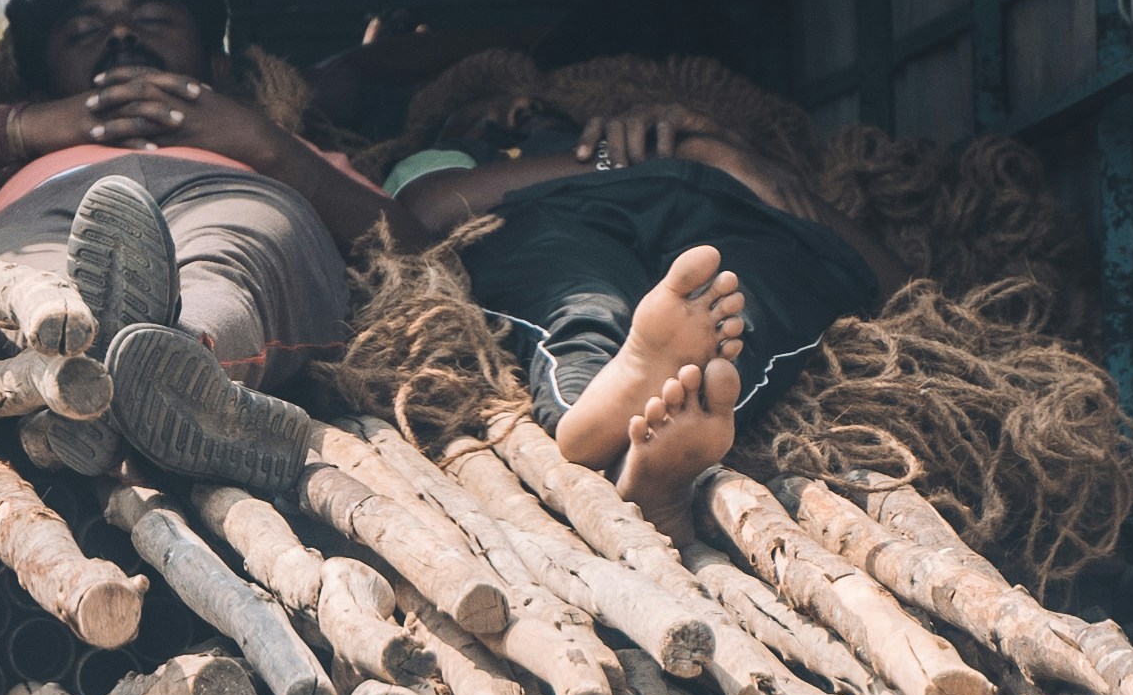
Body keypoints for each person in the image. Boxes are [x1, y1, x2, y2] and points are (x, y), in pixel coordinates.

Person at [0, 0, 384, 495]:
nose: (120, 37)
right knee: (40, 287)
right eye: (84, 31)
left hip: (227, 191)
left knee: (234, 257)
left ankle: (175, 365)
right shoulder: (22, 130)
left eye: (153, 19)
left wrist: (267, 146)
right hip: (42, 206)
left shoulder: (270, 141)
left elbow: (405, 239)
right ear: (41, 84)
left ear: (218, 66)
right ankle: (143, 385)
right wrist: (32, 127)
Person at [382, 66, 893, 510]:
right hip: (557, 213)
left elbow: (888, 278)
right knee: (580, 293)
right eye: (479, 115)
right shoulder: (453, 158)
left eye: (538, 107)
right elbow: (428, 208)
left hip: (741, 220)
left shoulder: (728, 159)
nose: (516, 112)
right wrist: (657, 155)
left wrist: (735, 156)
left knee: (744, 301)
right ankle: (593, 409)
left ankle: (666, 437)